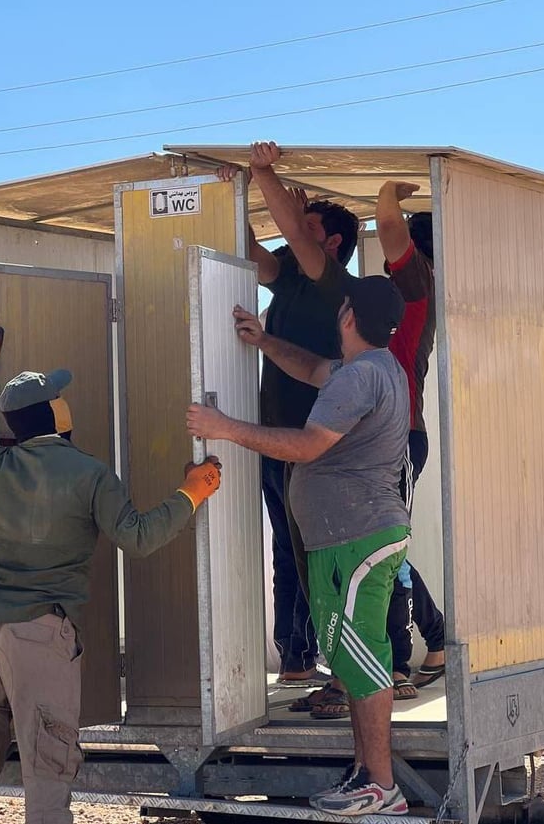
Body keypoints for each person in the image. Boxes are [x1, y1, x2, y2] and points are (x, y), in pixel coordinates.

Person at [0, 321, 222, 824]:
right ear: (54, 413)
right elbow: (138, 536)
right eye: (60, 397)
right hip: (37, 637)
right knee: (47, 774)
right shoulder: (90, 474)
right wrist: (192, 492)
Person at [187, 272, 411, 816]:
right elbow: (312, 368)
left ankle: (381, 786)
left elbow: (308, 446)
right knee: (353, 659)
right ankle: (365, 774)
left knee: (363, 659)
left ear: (348, 316)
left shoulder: (361, 378)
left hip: (355, 537)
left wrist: (226, 427)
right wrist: (264, 341)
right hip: (351, 536)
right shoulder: (371, 368)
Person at [218, 148, 361, 688]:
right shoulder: (293, 278)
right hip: (276, 442)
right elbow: (248, 249)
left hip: (313, 445)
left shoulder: (332, 283)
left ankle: (344, 667)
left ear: (333, 244)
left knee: (315, 558)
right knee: (287, 551)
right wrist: (231, 194)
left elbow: (294, 237)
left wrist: (263, 173)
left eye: (309, 226)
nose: (296, 229)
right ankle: (296, 658)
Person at [374, 180, 447, 695]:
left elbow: (387, 226)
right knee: (383, 549)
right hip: (391, 437)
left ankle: (402, 659)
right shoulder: (402, 298)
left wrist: (387, 191)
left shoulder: (417, 283)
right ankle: (428, 639)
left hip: (400, 437)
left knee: (386, 550)